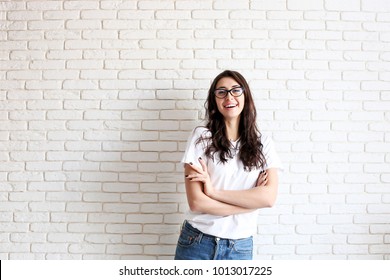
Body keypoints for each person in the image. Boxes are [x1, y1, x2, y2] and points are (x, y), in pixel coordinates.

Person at [174, 70, 282, 260]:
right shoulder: (201, 137)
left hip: (239, 247)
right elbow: (197, 202)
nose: (229, 96)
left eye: (235, 90)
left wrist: (213, 193)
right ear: (214, 100)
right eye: (221, 92)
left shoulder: (263, 143)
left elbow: (268, 198)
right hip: (198, 242)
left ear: (245, 95)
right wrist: (249, 204)